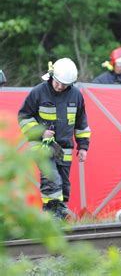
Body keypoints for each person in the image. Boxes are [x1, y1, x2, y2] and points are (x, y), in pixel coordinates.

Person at [18, 58, 91, 219]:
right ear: (51, 76)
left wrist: (83, 147)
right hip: (41, 145)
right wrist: (40, 132)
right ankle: (52, 216)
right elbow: (24, 117)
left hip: (65, 147)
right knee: (51, 178)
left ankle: (59, 213)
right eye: (57, 82)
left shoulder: (76, 96)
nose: (59, 86)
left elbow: (81, 124)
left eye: (64, 85)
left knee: (63, 183)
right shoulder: (38, 92)